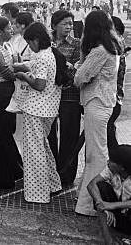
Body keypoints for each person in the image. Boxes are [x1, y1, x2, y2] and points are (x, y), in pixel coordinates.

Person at [75, 10, 121, 216]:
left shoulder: (100, 51)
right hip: (104, 104)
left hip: (96, 103)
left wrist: (81, 62)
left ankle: (89, 204)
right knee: (95, 153)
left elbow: (80, 78)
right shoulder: (112, 47)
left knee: (96, 156)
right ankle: (84, 198)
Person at [15, 22, 62, 203]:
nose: (30, 47)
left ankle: (37, 194)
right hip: (49, 108)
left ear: (35, 40)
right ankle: (53, 184)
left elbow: (40, 84)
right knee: (43, 147)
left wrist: (25, 77)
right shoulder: (50, 53)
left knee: (33, 152)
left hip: (36, 109)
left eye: (29, 42)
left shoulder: (42, 57)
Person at [48, 10, 82, 187]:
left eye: (71, 23)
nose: (69, 26)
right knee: (50, 136)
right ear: (54, 25)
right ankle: (51, 172)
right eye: (65, 23)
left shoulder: (77, 44)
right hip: (49, 96)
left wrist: (62, 69)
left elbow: (76, 70)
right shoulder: (47, 43)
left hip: (70, 96)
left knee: (69, 136)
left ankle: (66, 175)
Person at [0, 16, 22, 189]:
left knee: (8, 130)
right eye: (8, 28)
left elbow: (15, 64)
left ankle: (13, 169)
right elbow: (5, 71)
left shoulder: (8, 45)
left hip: (9, 90)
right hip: (0, 90)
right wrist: (22, 75)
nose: (12, 30)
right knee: (2, 132)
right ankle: (5, 174)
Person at [88, 145, 131, 240]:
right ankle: (108, 239)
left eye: (112, 161)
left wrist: (111, 206)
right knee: (101, 187)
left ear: (122, 167)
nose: (108, 162)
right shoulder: (111, 169)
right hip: (118, 218)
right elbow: (91, 184)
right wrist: (102, 205)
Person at [108, 16, 127, 151]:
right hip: (115, 98)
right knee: (108, 132)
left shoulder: (113, 48)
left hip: (111, 99)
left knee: (106, 136)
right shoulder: (119, 46)